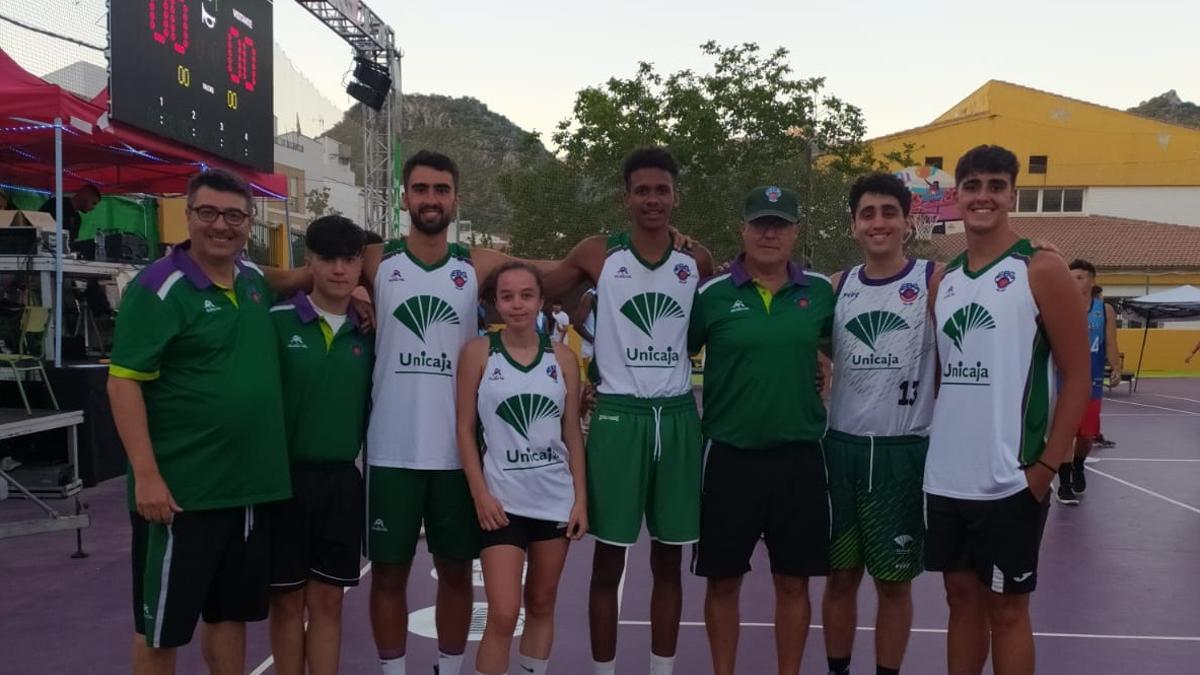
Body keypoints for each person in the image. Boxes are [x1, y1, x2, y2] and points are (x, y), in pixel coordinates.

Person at [107, 169, 290, 675]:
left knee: (230, 617)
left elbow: (292, 280)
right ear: (187, 216)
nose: (220, 225)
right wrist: (146, 475)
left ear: (249, 223)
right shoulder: (158, 288)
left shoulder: (253, 282)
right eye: (207, 212)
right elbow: (123, 384)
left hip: (248, 490)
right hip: (180, 494)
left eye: (233, 215)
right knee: (160, 630)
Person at [541, 147, 713, 675]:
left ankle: (661, 670)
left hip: (678, 416)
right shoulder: (597, 253)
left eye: (662, 189)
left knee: (669, 560)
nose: (653, 199)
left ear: (676, 196)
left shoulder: (697, 260)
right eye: (642, 190)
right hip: (618, 417)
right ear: (626, 198)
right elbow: (535, 294)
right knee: (608, 560)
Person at [924, 145, 1089, 675]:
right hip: (948, 476)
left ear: (1012, 195)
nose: (984, 196)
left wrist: (1045, 470)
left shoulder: (1040, 268)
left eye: (996, 185)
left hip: (1010, 477)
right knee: (960, 600)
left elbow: (1077, 376)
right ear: (957, 196)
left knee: (1009, 611)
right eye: (972, 185)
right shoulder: (942, 281)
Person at [687, 185, 834, 675]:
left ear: (797, 232)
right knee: (722, 583)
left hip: (800, 459)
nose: (769, 232)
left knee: (793, 583)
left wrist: (824, 361)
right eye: (760, 223)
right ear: (743, 229)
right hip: (730, 457)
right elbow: (667, 357)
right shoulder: (710, 295)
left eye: (780, 224)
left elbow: (841, 346)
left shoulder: (819, 292)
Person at [822, 172, 938, 675]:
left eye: (889, 212)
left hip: (902, 453)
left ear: (908, 222)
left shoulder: (934, 280)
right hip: (841, 449)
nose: (879, 222)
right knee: (840, 577)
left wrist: (1031, 251)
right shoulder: (836, 287)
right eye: (867, 214)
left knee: (894, 584)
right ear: (853, 226)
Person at [455, 261, 588, 675]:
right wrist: (480, 493)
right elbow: (463, 428)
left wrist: (581, 499)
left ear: (541, 302)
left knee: (542, 604)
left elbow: (571, 432)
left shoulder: (564, 358)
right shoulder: (478, 353)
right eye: (507, 296)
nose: (517, 305)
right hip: (502, 501)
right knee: (503, 612)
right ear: (495, 304)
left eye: (526, 296)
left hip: (553, 498)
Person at [267, 216, 374, 675]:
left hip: (340, 483)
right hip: (281, 482)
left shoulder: (370, 331)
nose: (338, 269)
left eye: (349, 260)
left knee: (329, 602)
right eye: (327, 258)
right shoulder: (275, 322)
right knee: (287, 603)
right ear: (308, 261)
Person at [1055, 260, 1121, 504]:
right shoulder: (1058, 307)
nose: (1075, 282)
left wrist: (1116, 366)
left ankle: (1078, 465)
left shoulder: (1104, 311)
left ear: (1092, 280)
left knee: (1085, 437)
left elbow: (1110, 343)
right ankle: (1064, 485)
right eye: (1071, 277)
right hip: (1062, 382)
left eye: (1080, 277)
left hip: (1091, 383)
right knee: (1066, 434)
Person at [40, 183, 101, 248]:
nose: (93, 208)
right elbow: (36, 225)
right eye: (93, 203)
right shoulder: (56, 203)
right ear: (85, 195)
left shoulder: (78, 219)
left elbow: (73, 243)